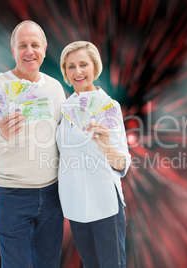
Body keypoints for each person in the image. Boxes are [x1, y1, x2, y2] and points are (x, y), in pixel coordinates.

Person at [0, 20, 66, 267]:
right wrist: (0, 136)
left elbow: (63, 139)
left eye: (35, 45)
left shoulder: (55, 88)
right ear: (12, 50)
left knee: (49, 264)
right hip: (12, 194)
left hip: (52, 193)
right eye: (22, 45)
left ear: (45, 49)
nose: (29, 51)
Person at [57, 41, 131, 267]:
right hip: (76, 206)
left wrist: (107, 146)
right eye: (71, 67)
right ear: (66, 74)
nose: (77, 72)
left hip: (105, 205)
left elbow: (123, 164)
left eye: (83, 65)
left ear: (94, 68)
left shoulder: (109, 107)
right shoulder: (63, 109)